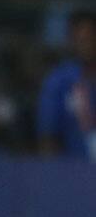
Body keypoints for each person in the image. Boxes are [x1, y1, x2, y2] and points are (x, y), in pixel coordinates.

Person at [37, 11, 96, 159]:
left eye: (89, 38)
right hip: (72, 170)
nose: (85, 45)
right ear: (72, 41)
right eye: (80, 40)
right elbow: (48, 135)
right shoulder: (59, 80)